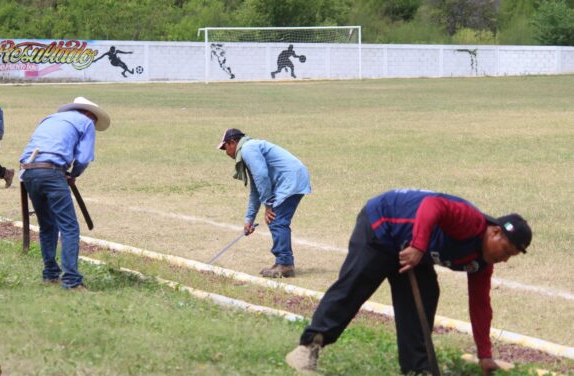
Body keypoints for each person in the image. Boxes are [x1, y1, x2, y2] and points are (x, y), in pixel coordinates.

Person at [286, 189, 532, 375]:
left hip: (413, 248)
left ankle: (417, 369)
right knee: (356, 285)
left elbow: (480, 306)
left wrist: (485, 355)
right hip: (382, 225)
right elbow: (432, 204)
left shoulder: (482, 263)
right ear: (495, 232)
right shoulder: (471, 222)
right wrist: (418, 245)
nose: (505, 259)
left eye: (511, 255)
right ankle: (308, 347)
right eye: (506, 250)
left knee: (423, 298)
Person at [19, 97, 110, 290]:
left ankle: (50, 275)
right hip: (51, 171)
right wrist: (73, 174)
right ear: (89, 114)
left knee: (47, 226)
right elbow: (84, 157)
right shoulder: (86, 122)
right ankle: (71, 280)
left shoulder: (50, 118)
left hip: (28, 170)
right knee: (69, 227)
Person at [218, 128, 311, 278]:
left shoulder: (248, 149)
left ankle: (285, 264)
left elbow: (261, 176)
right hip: (292, 178)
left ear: (233, 142)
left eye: (225, 147)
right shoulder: (248, 150)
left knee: (276, 220)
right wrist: (249, 220)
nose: (225, 152)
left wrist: (268, 205)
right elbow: (256, 190)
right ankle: (281, 262)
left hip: (290, 179)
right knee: (276, 219)